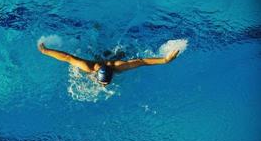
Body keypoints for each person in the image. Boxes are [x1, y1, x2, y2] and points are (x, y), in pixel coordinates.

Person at [38, 43, 179, 86]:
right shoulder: (88, 66)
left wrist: (165, 60)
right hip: (97, 59)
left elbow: (141, 62)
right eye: (103, 83)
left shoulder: (119, 66)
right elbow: (67, 57)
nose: (104, 85)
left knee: (121, 53)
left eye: (105, 83)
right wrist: (46, 51)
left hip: (113, 59)